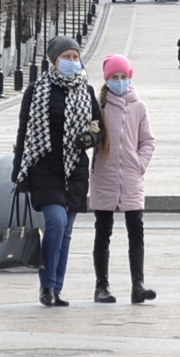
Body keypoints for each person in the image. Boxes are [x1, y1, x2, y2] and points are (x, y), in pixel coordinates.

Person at [12, 35, 98, 308]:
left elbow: (98, 128)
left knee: (66, 231)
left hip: (74, 170)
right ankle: (47, 284)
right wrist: (18, 171)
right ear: (54, 61)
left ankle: (56, 289)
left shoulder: (86, 91)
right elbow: (24, 131)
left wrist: (90, 138)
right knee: (56, 223)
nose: (72, 62)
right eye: (66, 57)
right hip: (44, 167)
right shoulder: (36, 90)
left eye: (75, 57)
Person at [89, 54, 157, 304]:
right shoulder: (99, 106)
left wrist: (140, 164)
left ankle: (138, 285)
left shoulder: (139, 106)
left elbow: (147, 141)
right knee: (103, 230)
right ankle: (101, 286)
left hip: (131, 177)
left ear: (130, 77)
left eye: (123, 76)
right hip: (105, 177)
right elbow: (90, 139)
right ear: (107, 80)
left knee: (136, 230)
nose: (119, 81)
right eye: (114, 77)